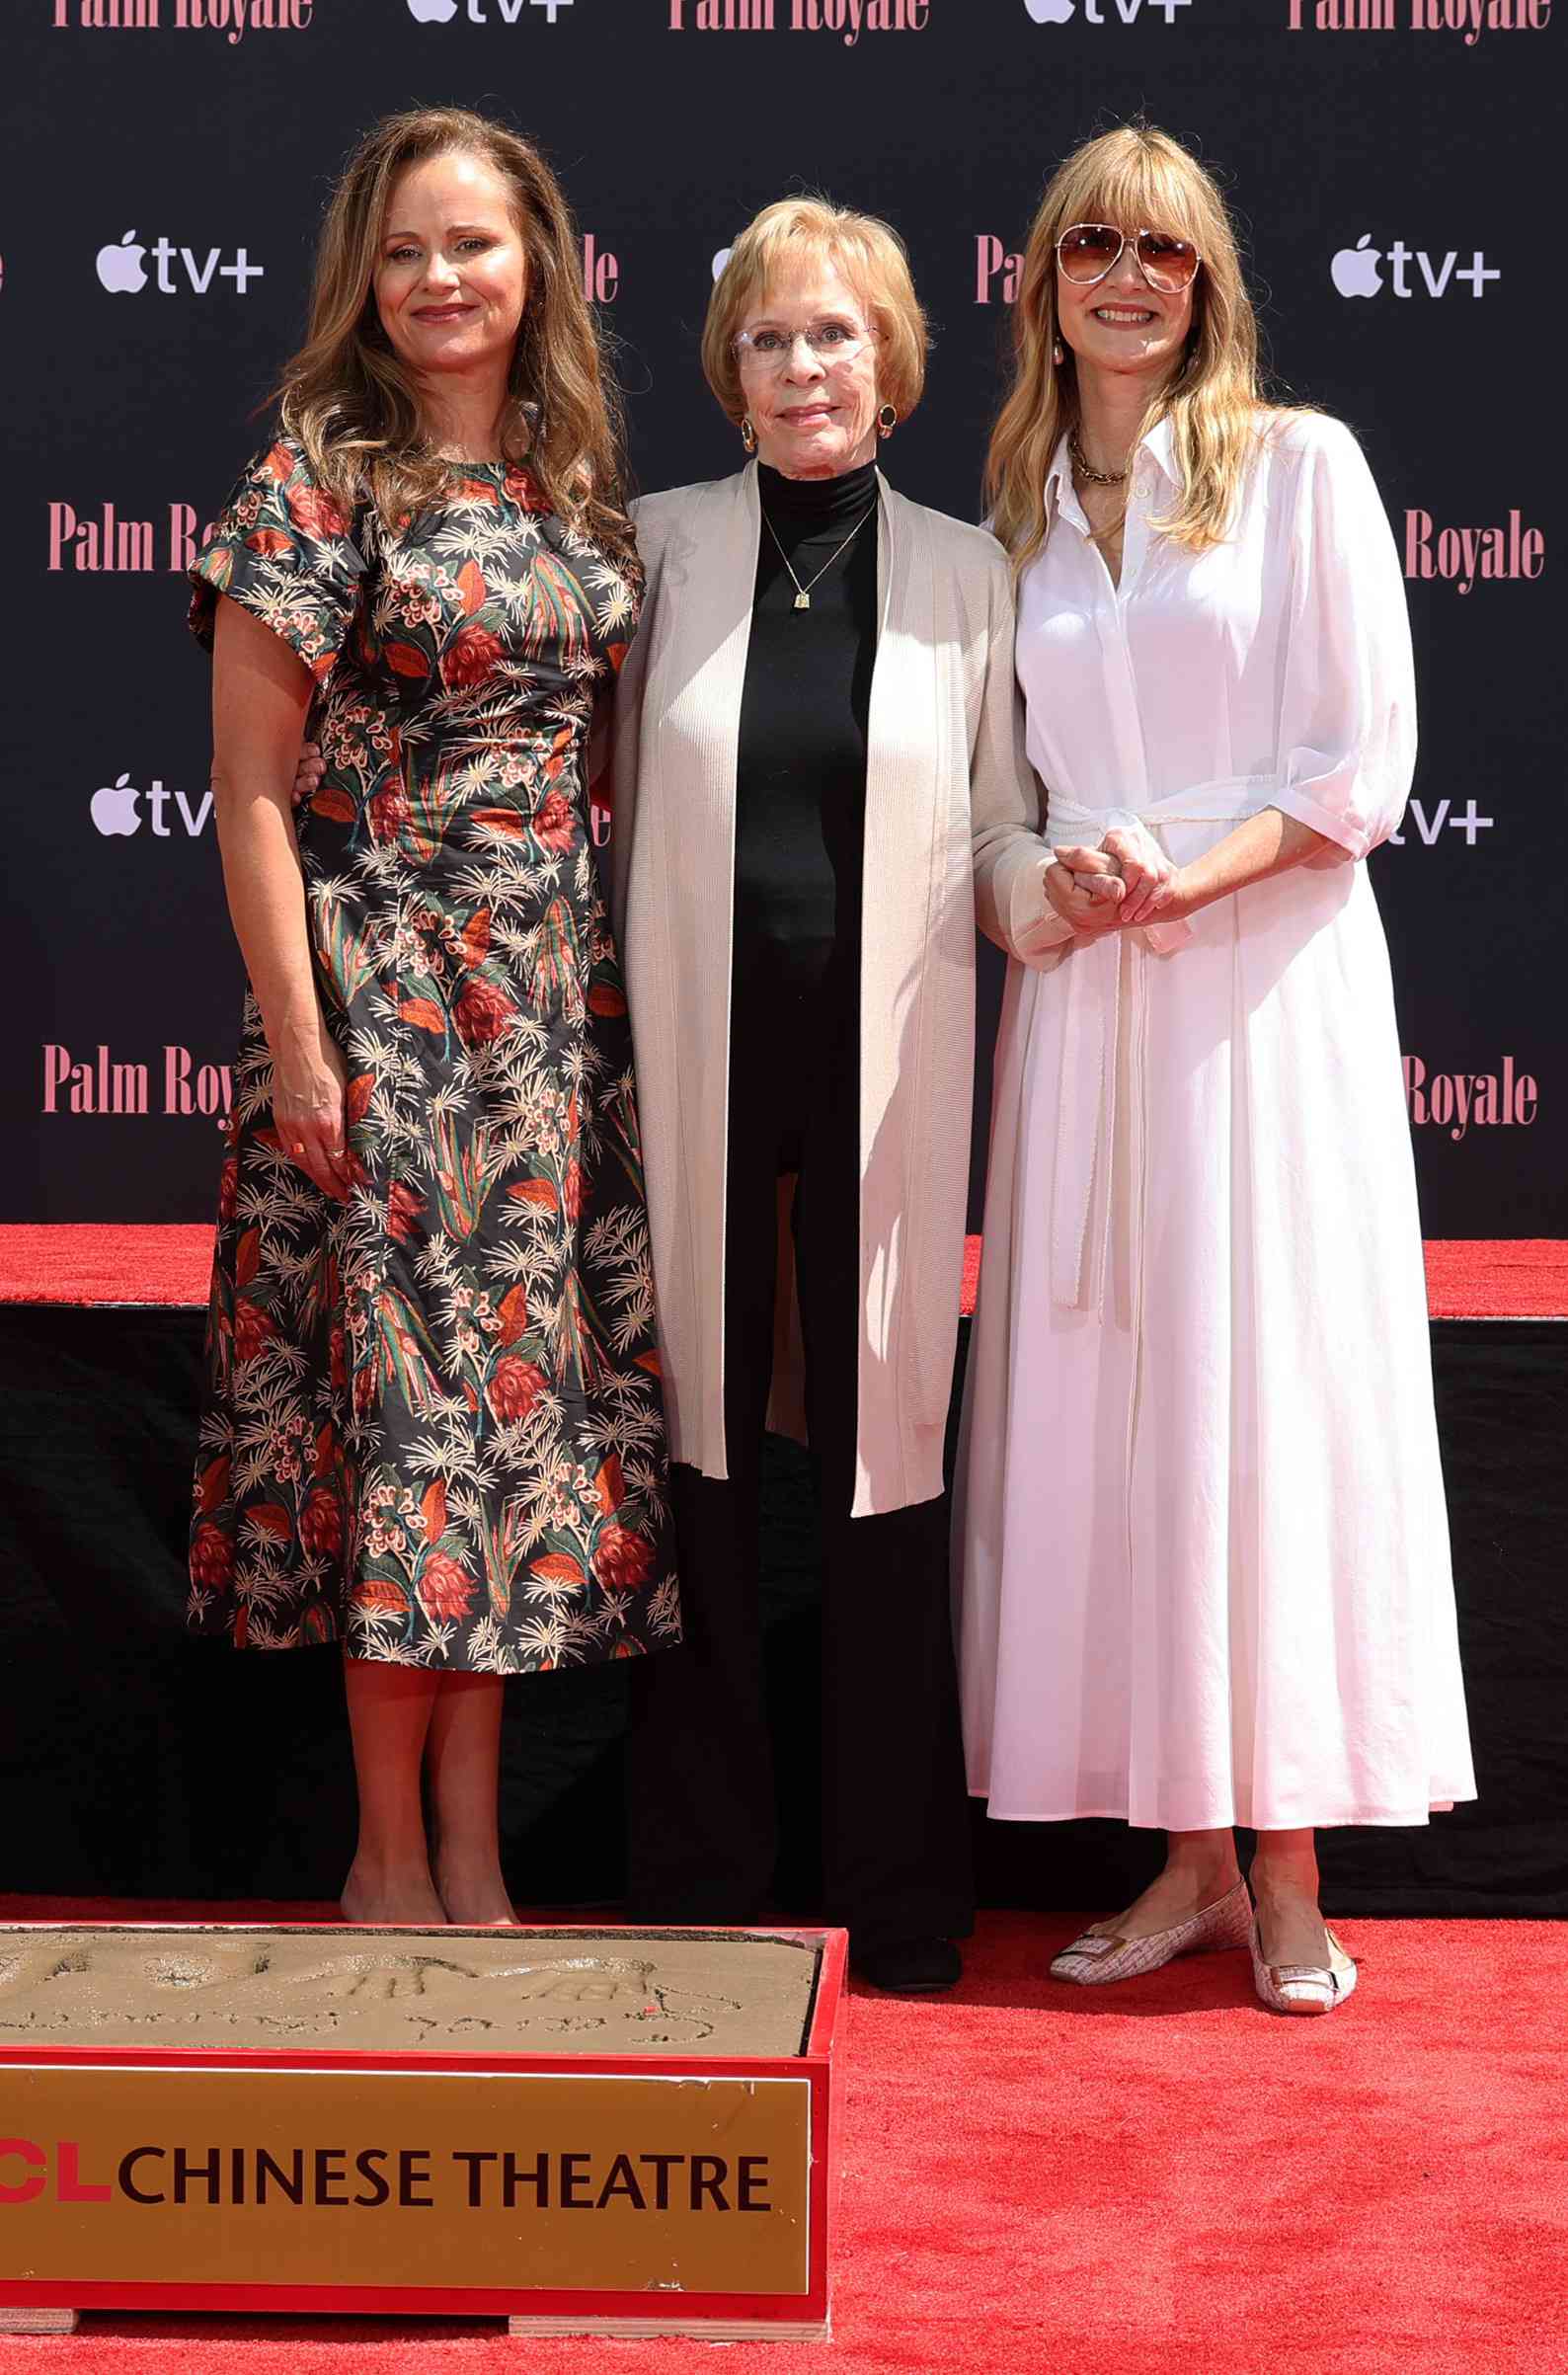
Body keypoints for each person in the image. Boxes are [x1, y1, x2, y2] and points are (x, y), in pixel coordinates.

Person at [955, 124, 1475, 2014]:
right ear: (1042, 277)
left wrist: (1187, 867)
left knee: (1270, 1397)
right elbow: (1001, 796)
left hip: (1262, 991)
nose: (1128, 275)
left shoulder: (1299, 466)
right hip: (1094, 1001)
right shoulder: (1016, 501)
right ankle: (1179, 1857)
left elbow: (1358, 769)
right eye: (1093, 241)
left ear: (1208, 283)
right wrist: (1062, 875)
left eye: (1164, 251)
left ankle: (1292, 1869)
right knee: (1130, 1406)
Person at [187, 108, 678, 1931]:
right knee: (400, 1441)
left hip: (549, 1031)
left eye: (471, 242)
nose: (441, 278)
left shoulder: (575, 483)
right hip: (384, 1021)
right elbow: (249, 793)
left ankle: (477, 1847)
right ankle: (387, 1855)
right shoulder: (314, 480)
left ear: (536, 260)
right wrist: (303, 1049)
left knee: (494, 1445)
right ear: (362, 278)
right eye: (404, 250)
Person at [599, 198, 1058, 1996]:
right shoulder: (651, 553)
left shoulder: (971, 573)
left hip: (889, 1080)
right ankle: (700, 1866)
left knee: (886, 1473)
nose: (807, 366)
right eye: (776, 338)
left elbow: (1006, 826)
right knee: (701, 1463)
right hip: (693, 1063)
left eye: (839, 336)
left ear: (895, 367)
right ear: (731, 371)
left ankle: (902, 1885)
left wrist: (1061, 893)